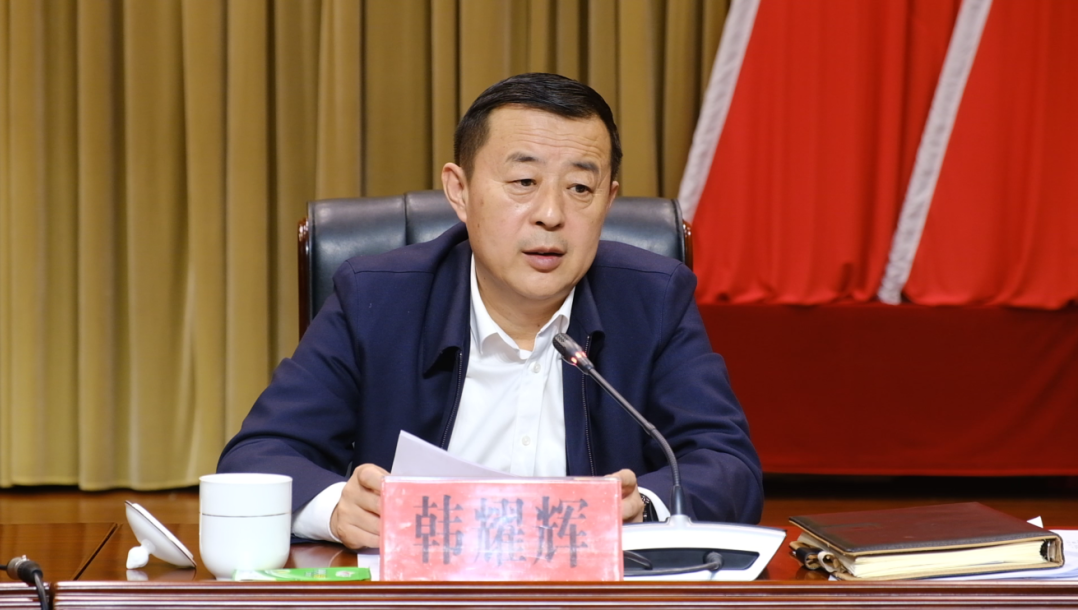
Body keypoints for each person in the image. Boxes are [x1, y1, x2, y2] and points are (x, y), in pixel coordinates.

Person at [217, 72, 763, 550]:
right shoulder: (376, 298)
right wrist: (338, 508)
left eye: (580, 187)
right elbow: (258, 456)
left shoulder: (652, 299)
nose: (550, 214)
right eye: (524, 182)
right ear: (459, 191)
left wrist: (644, 505)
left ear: (608, 201)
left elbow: (729, 466)